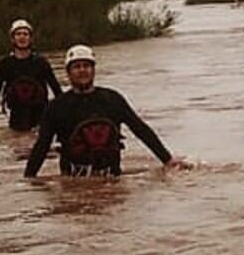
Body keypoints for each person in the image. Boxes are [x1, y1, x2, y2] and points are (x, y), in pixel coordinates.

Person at [24, 44, 190, 177]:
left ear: (93, 70)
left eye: (87, 66)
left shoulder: (112, 99)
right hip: (74, 179)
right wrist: (29, 179)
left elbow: (140, 129)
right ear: (68, 73)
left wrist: (167, 160)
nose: (82, 70)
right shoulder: (56, 107)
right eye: (77, 67)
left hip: (112, 176)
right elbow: (42, 145)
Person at [0, 19, 63, 132]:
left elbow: (56, 90)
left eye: (25, 34)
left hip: (40, 115)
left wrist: (64, 117)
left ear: (30, 38)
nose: (22, 37)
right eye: (18, 34)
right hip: (16, 116)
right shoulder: (5, 64)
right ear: (12, 38)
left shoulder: (41, 63)